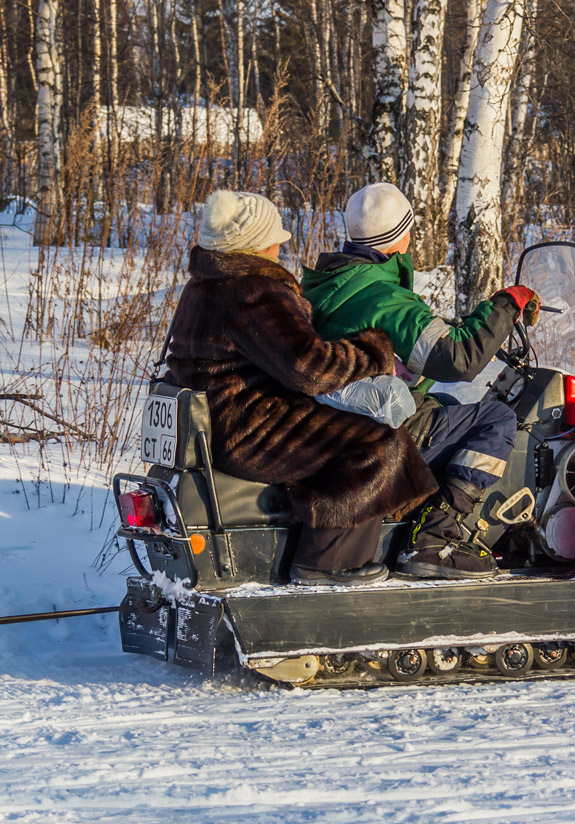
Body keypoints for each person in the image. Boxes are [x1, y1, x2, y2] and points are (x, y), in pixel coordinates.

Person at [165, 189, 437, 586]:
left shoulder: (204, 285)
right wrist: (373, 350)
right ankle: (327, 564)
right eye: (274, 239)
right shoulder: (254, 290)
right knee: (377, 443)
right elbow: (309, 369)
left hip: (221, 423)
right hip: (249, 426)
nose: (279, 247)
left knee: (342, 430)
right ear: (256, 245)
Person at [300, 183, 538, 580]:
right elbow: (459, 359)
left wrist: (453, 324)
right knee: (495, 419)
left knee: (445, 408)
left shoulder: (329, 283)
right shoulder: (383, 296)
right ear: (399, 236)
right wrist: (506, 304)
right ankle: (435, 538)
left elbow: (405, 340)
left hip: (337, 421)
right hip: (375, 430)